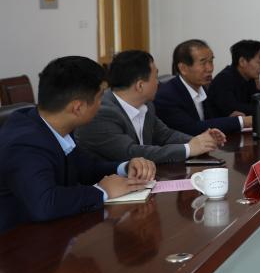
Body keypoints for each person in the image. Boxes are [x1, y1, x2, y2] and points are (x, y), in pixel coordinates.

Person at [0, 56, 155, 233]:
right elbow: (45, 204)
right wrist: (102, 192)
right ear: (78, 108)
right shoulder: (24, 143)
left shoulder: (54, 124)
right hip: (17, 241)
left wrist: (125, 167)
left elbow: (86, 167)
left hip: (53, 232)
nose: (102, 104)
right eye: (100, 97)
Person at [76, 50, 224, 164]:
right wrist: (189, 148)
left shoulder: (145, 105)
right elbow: (131, 152)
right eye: (155, 77)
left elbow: (166, 135)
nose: (158, 83)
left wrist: (202, 141)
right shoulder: (102, 112)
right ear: (140, 85)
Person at [154, 38, 251, 135]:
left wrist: (230, 119)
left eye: (211, 61)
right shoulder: (167, 96)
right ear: (183, 68)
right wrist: (241, 121)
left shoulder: (203, 88)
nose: (210, 68)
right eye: (203, 63)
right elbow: (191, 128)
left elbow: (208, 122)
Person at [208, 39, 260, 118]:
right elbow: (234, 108)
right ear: (242, 62)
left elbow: (256, 97)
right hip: (219, 126)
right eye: (258, 62)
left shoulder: (248, 77)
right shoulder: (224, 80)